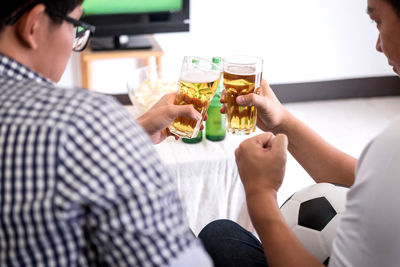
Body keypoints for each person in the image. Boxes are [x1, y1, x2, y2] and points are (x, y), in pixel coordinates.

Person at [0, 1, 213, 266]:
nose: (74, 43)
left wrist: (128, 135)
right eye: (76, 26)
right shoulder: (83, 121)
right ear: (33, 25)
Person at [199, 0, 400, 266]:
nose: (377, 45)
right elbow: (371, 182)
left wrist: (260, 193)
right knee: (220, 235)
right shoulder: (389, 155)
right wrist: (281, 123)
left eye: (378, 22)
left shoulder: (392, 144)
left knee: (216, 235)